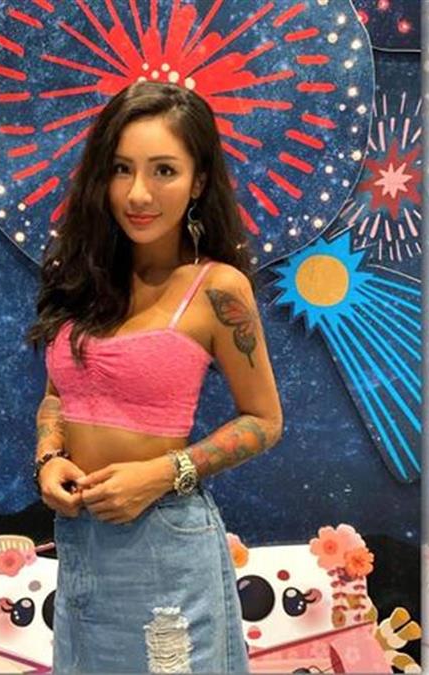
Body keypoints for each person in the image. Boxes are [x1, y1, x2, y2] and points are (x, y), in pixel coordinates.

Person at [26, 81, 283, 672]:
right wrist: (48, 459)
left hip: (165, 544)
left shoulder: (217, 290)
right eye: (122, 169)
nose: (138, 193)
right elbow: (57, 395)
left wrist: (160, 474)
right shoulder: (81, 280)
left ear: (198, 182)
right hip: (81, 542)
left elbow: (264, 421)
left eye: (164, 170)